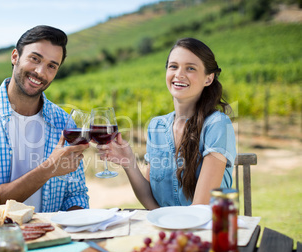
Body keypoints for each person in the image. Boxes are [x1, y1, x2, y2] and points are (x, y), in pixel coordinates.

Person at [0, 25, 89, 212]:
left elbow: (76, 195)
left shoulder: (63, 122)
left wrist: (77, 229)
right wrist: (48, 169)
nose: (40, 72)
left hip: (53, 238)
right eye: (35, 59)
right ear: (15, 57)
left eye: (51, 66)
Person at [97, 38, 236, 209]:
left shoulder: (217, 124)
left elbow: (200, 208)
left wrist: (165, 224)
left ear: (208, 79)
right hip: (167, 229)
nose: (179, 74)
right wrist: (128, 162)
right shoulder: (156, 127)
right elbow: (151, 202)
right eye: (173, 66)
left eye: (190, 68)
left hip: (205, 231)